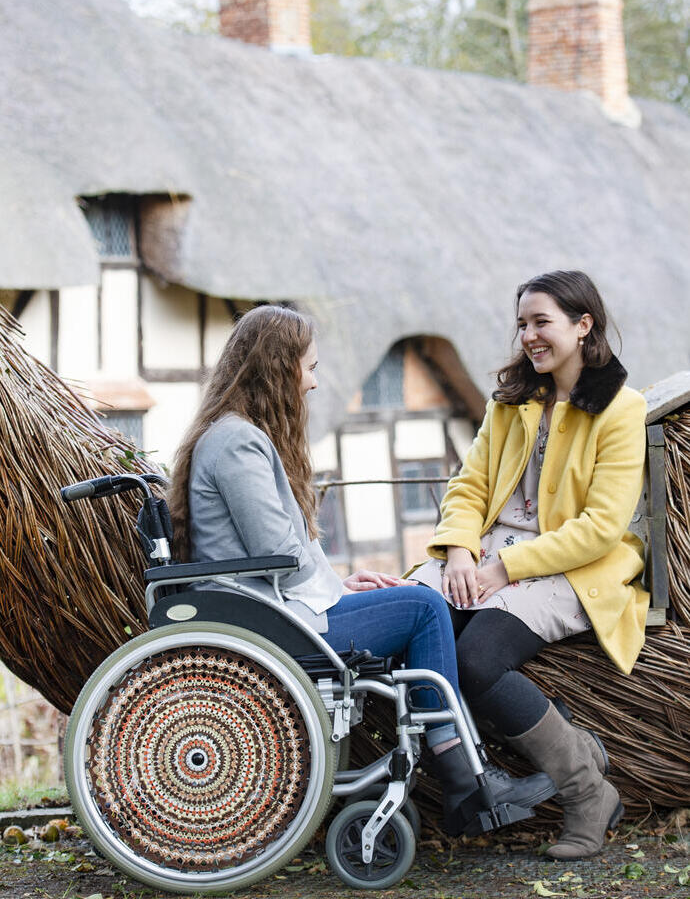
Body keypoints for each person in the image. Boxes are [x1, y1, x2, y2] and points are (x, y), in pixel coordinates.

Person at [168, 304, 555, 837]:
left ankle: (464, 774)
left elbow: (276, 553)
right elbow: (275, 546)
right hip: (269, 623)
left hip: (274, 607)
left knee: (415, 600)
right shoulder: (238, 441)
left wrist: (340, 584)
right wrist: (330, 586)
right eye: (309, 367)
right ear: (279, 368)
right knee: (423, 606)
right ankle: (464, 775)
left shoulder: (233, 434)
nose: (313, 382)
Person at [424, 270, 649, 859]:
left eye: (541, 322)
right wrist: (459, 552)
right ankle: (465, 785)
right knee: (416, 622)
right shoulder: (512, 402)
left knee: (478, 660)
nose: (528, 335)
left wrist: (504, 569)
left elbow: (601, 528)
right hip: (488, 551)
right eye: (522, 323)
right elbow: (468, 486)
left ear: (583, 325)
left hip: (573, 569)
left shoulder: (621, 410)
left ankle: (586, 792)